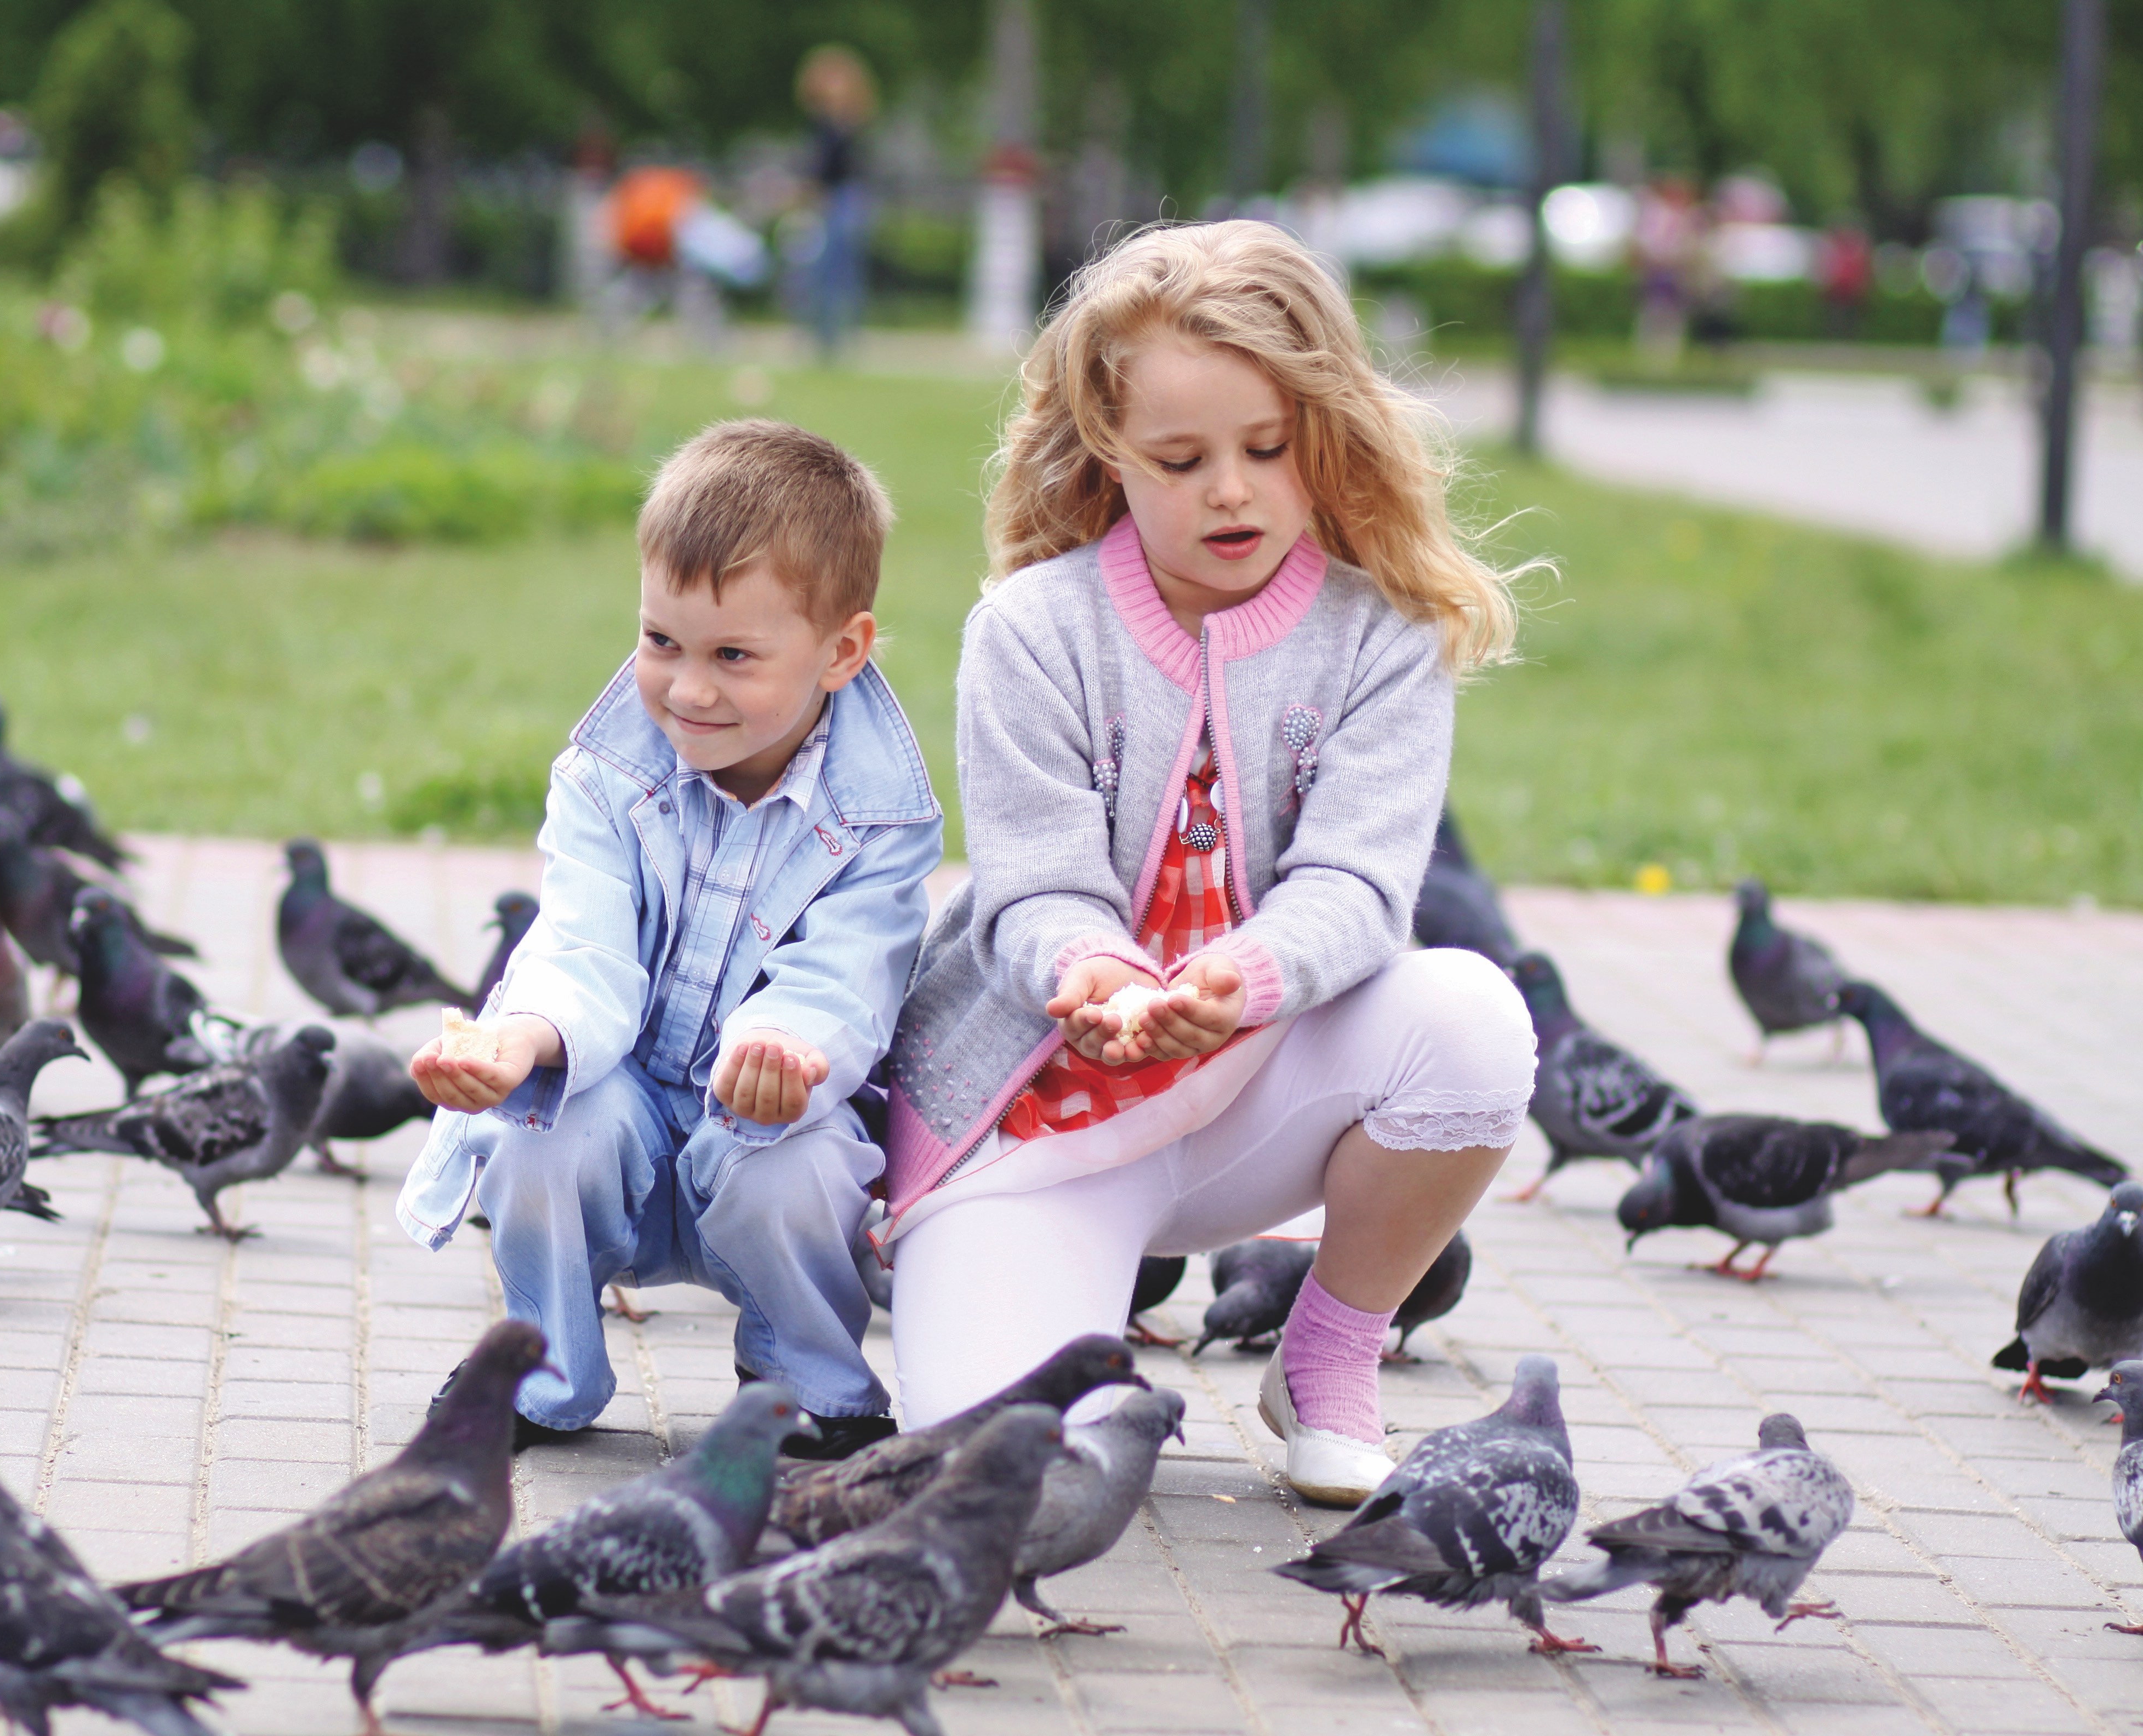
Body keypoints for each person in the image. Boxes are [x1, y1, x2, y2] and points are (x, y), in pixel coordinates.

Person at [877, 221, 1536, 1507]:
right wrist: (1097, 973)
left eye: (1264, 449)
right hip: (1044, 1115)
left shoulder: (1376, 637)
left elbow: (1355, 886)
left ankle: (1330, 1351)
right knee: (1011, 1481)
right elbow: (1032, 882)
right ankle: (993, 1289)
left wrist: (1236, 977)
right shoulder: (1027, 630)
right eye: (1178, 460)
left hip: (1254, 1088)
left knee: (1472, 1021)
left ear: (1323, 439)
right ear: (1108, 456)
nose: (1226, 490)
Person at [398, 420, 941, 1459]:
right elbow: (582, 938)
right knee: (536, 1130)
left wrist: (784, 1047)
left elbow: (849, 973)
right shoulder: (606, 775)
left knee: (802, 1165)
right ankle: (543, 1368)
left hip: (764, 1117)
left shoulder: (880, 818)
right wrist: (524, 1038)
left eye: (733, 655)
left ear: (842, 651)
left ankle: (803, 1373)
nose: (687, 688)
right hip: (624, 1110)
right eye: (661, 642)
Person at [796, 44, 877, 361]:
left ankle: (842, 337)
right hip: (830, 199)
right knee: (824, 270)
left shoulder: (846, 122)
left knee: (841, 269)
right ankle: (824, 337)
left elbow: (838, 165)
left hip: (844, 198)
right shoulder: (820, 122)